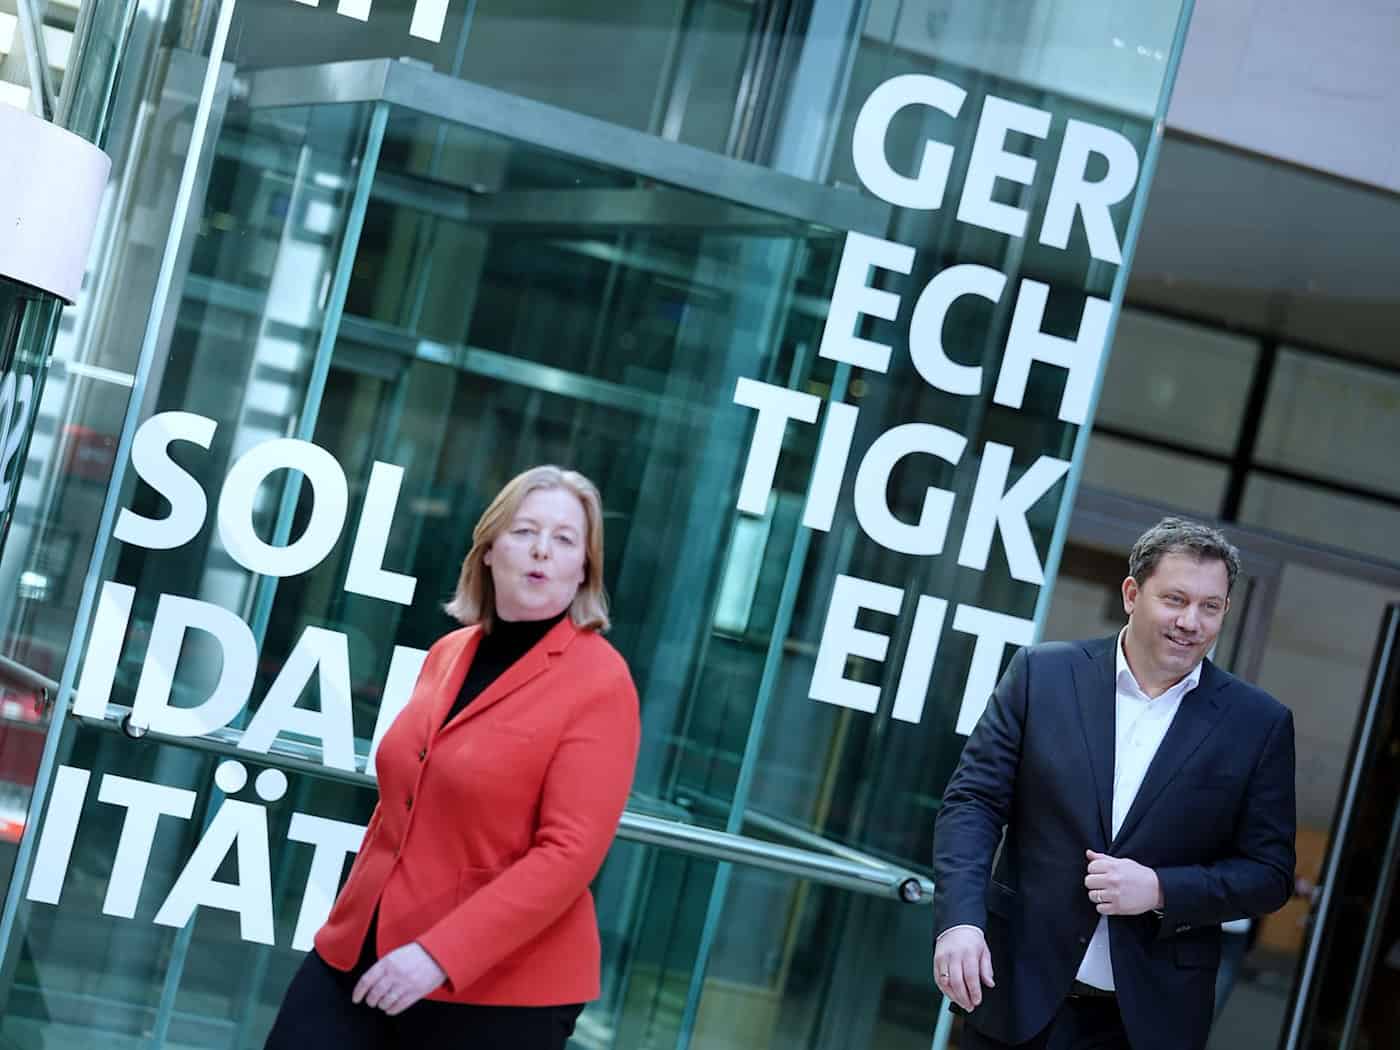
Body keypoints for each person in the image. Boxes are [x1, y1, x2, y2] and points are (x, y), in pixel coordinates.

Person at [265, 465, 641, 1050]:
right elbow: (405, 802)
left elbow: (568, 854)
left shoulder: (601, 682)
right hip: (363, 950)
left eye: (565, 540)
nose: (542, 550)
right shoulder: (448, 652)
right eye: (524, 532)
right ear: (489, 549)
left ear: (584, 568)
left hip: (499, 988)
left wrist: (439, 955)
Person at [932, 517, 1296, 1050]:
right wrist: (959, 922)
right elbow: (973, 803)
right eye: (1175, 599)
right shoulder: (1042, 675)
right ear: (1132, 593)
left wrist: (1161, 889)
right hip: (1014, 993)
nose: (1191, 622)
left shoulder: (1258, 724)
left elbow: (1269, 874)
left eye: (1210, 607)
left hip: (1145, 1021)